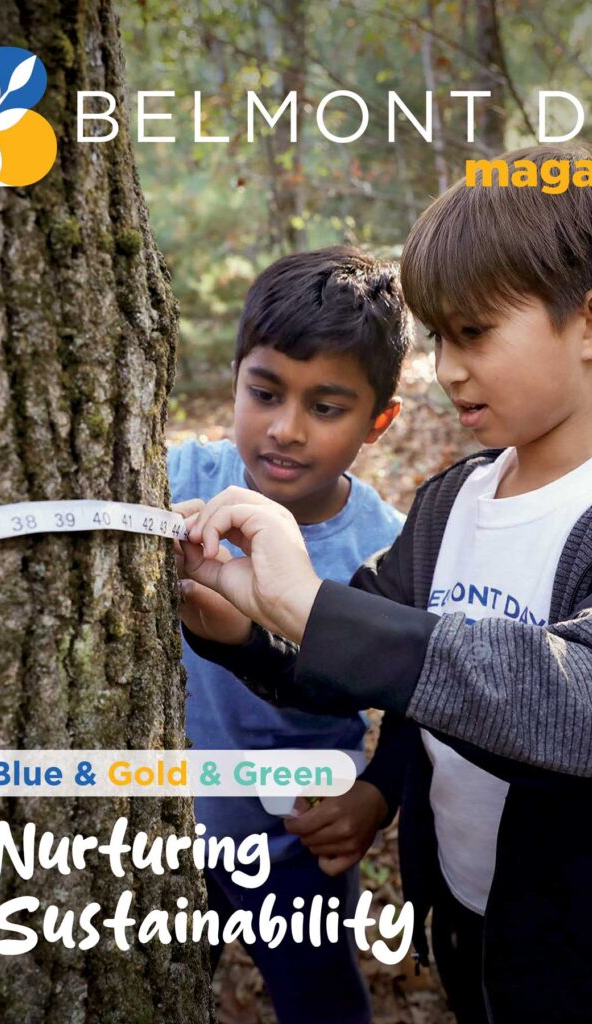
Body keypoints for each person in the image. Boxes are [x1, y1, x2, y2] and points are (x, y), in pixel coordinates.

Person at [176, 146, 592, 1024]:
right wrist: (241, 630)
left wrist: (303, 603)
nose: (447, 368)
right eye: (439, 339)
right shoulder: (451, 503)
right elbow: (359, 665)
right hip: (470, 936)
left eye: (472, 334)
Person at [167, 246, 412, 1024]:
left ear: (379, 421)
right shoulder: (174, 480)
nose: (285, 430)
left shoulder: (389, 549)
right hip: (164, 825)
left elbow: (420, 693)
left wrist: (378, 794)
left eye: (326, 407)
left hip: (297, 838)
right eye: (264, 391)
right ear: (235, 375)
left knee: (319, 996)